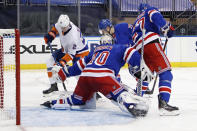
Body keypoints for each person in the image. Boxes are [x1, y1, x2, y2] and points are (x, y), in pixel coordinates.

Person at [41, 34, 152, 117]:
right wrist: (140, 66)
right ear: (112, 42)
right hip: (104, 77)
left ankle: (53, 103)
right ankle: (131, 104)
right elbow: (130, 52)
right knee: (120, 95)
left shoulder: (94, 51)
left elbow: (79, 66)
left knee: (76, 100)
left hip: (85, 78)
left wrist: (64, 73)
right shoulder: (118, 47)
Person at [130, 3, 179, 115]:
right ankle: (164, 104)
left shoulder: (136, 22)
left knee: (145, 76)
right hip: (150, 43)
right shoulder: (149, 10)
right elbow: (156, 16)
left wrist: (167, 32)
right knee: (166, 73)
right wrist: (166, 27)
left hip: (139, 48)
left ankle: (137, 100)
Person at [43, 14, 89, 95]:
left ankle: (90, 91)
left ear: (68, 24)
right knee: (50, 61)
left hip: (80, 52)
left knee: (77, 72)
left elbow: (71, 55)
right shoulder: (62, 24)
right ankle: (53, 86)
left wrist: (61, 62)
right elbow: (55, 28)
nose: (62, 29)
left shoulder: (73, 36)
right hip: (66, 49)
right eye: (61, 27)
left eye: (64, 28)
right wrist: (51, 35)